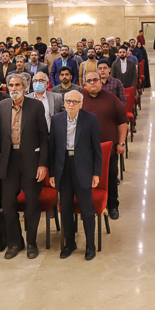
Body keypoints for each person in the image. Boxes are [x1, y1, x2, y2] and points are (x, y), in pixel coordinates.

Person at [0, 73, 49, 259]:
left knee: (31, 204)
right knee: (7, 204)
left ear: (24, 87)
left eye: (17, 85)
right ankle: (15, 242)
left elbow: (44, 137)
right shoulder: (2, 106)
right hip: (8, 161)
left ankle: (31, 242)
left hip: (30, 160)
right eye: (11, 85)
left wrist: (43, 164)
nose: (14, 88)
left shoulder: (36, 106)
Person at [49, 90, 102, 260]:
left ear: (81, 104)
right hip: (63, 168)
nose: (71, 104)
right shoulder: (56, 120)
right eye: (68, 101)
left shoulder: (90, 119)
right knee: (65, 209)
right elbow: (52, 149)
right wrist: (52, 173)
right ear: (64, 103)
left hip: (83, 168)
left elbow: (97, 149)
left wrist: (96, 173)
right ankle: (70, 243)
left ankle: (90, 245)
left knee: (87, 210)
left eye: (75, 102)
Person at [82, 72, 128, 220]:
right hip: (85, 149)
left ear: (101, 82)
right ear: (85, 84)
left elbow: (122, 122)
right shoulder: (80, 99)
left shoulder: (112, 99)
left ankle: (112, 206)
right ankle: (89, 206)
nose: (92, 83)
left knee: (110, 178)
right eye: (89, 80)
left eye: (95, 80)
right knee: (86, 178)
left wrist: (121, 143)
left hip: (108, 148)